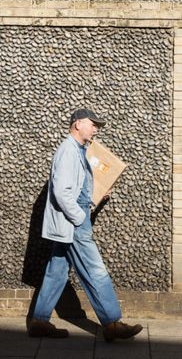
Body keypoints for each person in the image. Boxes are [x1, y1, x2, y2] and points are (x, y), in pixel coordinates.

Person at [28, 109, 142, 342]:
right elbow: (61, 192)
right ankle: (111, 323)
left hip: (71, 222)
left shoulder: (77, 150)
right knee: (95, 270)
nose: (96, 128)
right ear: (77, 124)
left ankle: (39, 320)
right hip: (74, 224)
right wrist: (80, 217)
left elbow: (75, 189)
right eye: (93, 124)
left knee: (57, 270)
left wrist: (95, 198)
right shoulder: (68, 150)